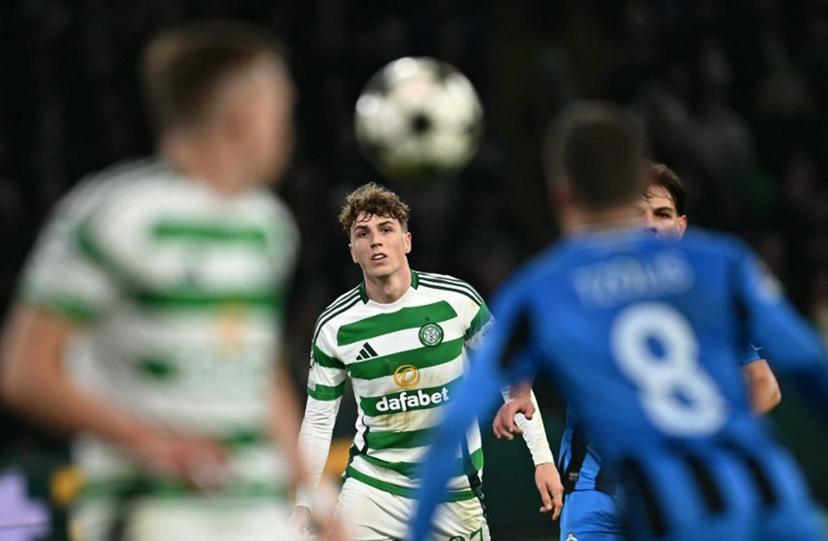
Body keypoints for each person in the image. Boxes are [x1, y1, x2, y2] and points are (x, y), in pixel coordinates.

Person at [410, 102, 828, 541]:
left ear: (561, 196)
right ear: (633, 185)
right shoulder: (723, 263)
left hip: (666, 506)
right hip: (772, 501)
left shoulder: (542, 290)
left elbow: (451, 429)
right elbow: (811, 369)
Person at [0, 21, 331, 541]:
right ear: (241, 119)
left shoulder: (266, 226)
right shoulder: (113, 214)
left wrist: (318, 499)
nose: (287, 130)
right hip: (150, 507)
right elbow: (25, 371)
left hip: (255, 507)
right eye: (281, 110)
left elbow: (256, 367)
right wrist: (148, 442)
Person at [492, 163, 783, 541]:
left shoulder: (707, 303)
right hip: (594, 496)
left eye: (662, 214)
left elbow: (765, 386)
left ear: (681, 227)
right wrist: (518, 395)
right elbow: (525, 338)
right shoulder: (583, 289)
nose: (649, 224)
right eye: (637, 213)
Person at [292, 182, 562, 540]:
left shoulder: (457, 301)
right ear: (353, 251)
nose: (376, 241)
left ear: (406, 241)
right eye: (363, 234)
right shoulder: (335, 326)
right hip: (373, 487)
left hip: (452, 489)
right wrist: (303, 501)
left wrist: (542, 458)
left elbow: (510, 376)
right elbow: (318, 421)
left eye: (386, 230)